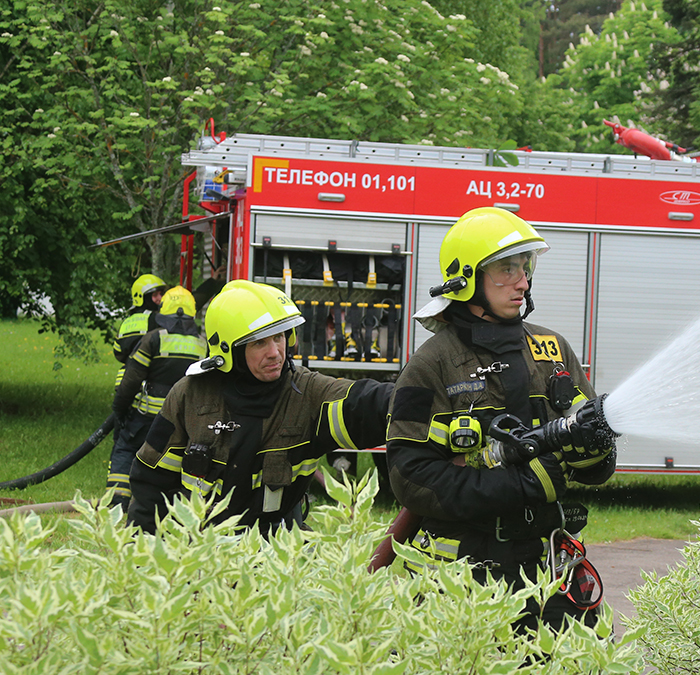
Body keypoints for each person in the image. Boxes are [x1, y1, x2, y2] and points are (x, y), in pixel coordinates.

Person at [385, 207, 617, 632]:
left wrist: (596, 453)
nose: (522, 281)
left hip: (550, 567)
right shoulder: (430, 365)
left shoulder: (553, 350)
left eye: (525, 267)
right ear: (468, 279)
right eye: (506, 270)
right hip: (462, 577)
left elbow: (591, 463)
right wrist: (516, 485)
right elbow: (408, 475)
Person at [126, 280, 393, 536]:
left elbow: (364, 403)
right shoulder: (190, 395)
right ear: (230, 349)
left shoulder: (306, 393)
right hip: (202, 551)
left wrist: (411, 396)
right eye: (259, 342)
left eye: (279, 337)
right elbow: (150, 483)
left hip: (275, 552)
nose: (276, 352)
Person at [107, 287, 209, 508]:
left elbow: (131, 379)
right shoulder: (203, 345)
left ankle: (118, 502)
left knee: (125, 449)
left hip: (145, 417)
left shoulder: (153, 339)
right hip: (182, 423)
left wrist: (120, 409)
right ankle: (167, 503)